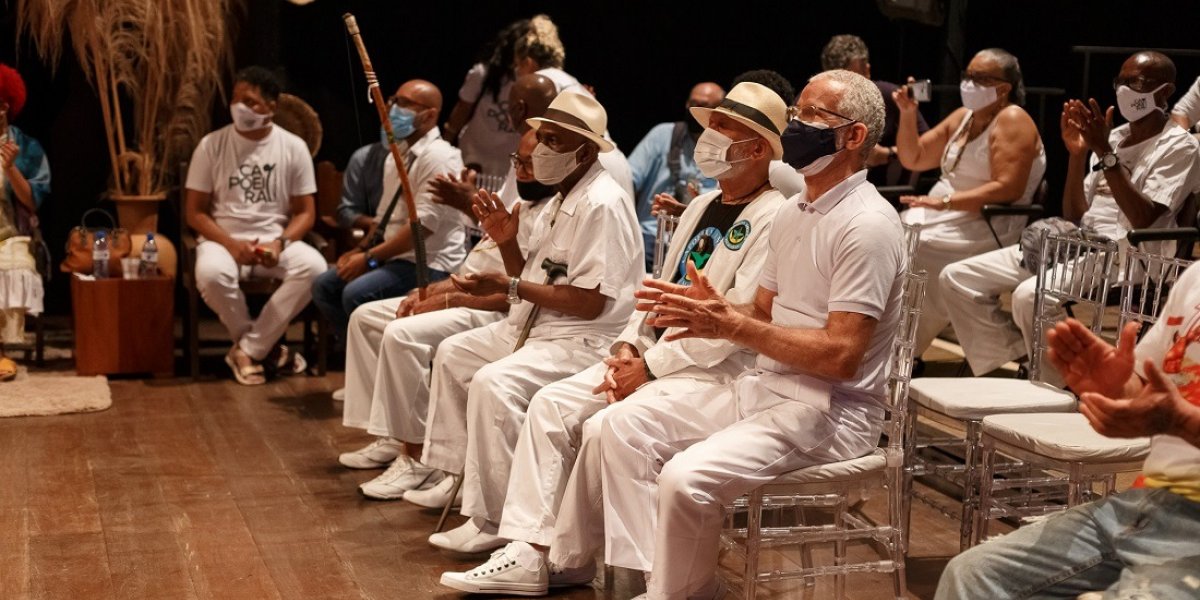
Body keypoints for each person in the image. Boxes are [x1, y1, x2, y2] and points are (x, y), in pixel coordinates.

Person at [437, 81, 789, 596]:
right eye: (710, 125)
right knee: (553, 404)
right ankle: (533, 551)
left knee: (608, 425)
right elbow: (651, 297)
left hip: (712, 370)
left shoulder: (774, 216)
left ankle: (637, 574)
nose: (707, 137)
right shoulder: (700, 207)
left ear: (758, 148)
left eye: (723, 128)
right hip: (653, 356)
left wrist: (649, 367)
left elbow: (737, 323)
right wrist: (629, 347)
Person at [597, 69, 905, 600]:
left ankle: (677, 593)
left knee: (684, 477)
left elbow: (841, 356)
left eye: (811, 116)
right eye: (797, 112)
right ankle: (656, 581)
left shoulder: (867, 224)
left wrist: (731, 323)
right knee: (623, 426)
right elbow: (759, 312)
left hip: (834, 410)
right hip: (769, 388)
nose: (796, 124)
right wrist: (712, 310)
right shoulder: (795, 210)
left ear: (853, 136)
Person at [411, 92, 643, 556]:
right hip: (544, 327)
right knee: (456, 354)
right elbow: (530, 276)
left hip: (585, 339)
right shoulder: (563, 197)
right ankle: (459, 479)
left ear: (585, 150)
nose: (540, 151)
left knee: (495, 383)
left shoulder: (602, 203)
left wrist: (511, 286)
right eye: (542, 139)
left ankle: (497, 518)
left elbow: (590, 303)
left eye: (553, 141)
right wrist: (507, 243)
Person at [935, 264, 1200, 600]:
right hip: (1149, 501)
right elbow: (1150, 391)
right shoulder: (1195, 278)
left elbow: (1172, 415)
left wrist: (1178, 423)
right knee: (972, 576)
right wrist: (1117, 388)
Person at [941, 51, 1200, 378]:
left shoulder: (1179, 146)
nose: (1126, 90)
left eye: (1138, 83)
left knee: (1029, 296)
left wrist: (1104, 153)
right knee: (957, 277)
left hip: (1130, 256)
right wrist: (1078, 156)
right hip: (1079, 243)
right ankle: (1018, 357)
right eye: (1121, 81)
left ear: (1165, 91)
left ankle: (1059, 386)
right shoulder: (1115, 137)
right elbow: (1076, 213)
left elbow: (1144, 218)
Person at [338, 130, 556, 500]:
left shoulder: (546, 214)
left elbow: (512, 292)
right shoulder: (518, 200)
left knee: (401, 334)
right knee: (365, 317)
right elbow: (476, 263)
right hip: (463, 291)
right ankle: (392, 435)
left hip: (491, 310)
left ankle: (418, 457)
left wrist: (450, 299)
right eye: (518, 162)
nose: (521, 171)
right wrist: (437, 291)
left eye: (531, 163)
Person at [894, 48, 1047, 357]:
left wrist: (947, 203)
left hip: (988, 221)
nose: (968, 83)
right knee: (897, 233)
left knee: (919, 244)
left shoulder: (1013, 119)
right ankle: (895, 342)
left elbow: (1008, 189)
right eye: (967, 76)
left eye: (979, 78)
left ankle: (906, 348)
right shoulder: (962, 118)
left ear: (1003, 88)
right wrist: (908, 114)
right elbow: (914, 157)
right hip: (942, 212)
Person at [185, 66, 327, 385]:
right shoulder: (211, 145)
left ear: (271, 107)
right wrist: (231, 245)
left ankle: (249, 349)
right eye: (236, 99)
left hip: (273, 241)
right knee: (210, 273)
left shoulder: (293, 147)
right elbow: (195, 213)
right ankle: (265, 348)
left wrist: (280, 243)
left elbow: (306, 212)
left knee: (315, 267)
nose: (240, 107)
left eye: (250, 101)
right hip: (223, 239)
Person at [311, 79, 466, 344]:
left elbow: (421, 229)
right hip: (395, 258)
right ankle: (361, 359)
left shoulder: (438, 157)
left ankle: (376, 364)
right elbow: (382, 220)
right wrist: (360, 250)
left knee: (355, 294)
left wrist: (369, 258)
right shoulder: (396, 155)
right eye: (394, 100)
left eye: (404, 104)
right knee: (325, 286)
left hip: (428, 263)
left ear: (429, 115)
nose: (392, 107)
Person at [626, 82, 725, 270]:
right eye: (692, 104)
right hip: (650, 239)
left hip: (698, 243)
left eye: (703, 106)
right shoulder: (662, 135)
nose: (694, 110)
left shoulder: (727, 149)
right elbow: (627, 180)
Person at [820, 34, 930, 186]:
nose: (846, 89)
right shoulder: (812, 101)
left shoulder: (892, 96)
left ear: (867, 71)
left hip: (887, 194)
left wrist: (886, 155)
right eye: (837, 81)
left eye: (853, 79)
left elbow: (927, 150)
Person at [0, 63, 49, 381]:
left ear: (4, 106)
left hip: (11, 234)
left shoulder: (27, 147)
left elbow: (31, 200)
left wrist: (11, 167)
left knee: (12, 268)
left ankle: (2, 351)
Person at [443, 18, 529, 176]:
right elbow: (462, 109)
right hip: (473, 154)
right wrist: (444, 144)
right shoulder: (483, 74)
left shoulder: (536, 82)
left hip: (509, 162)